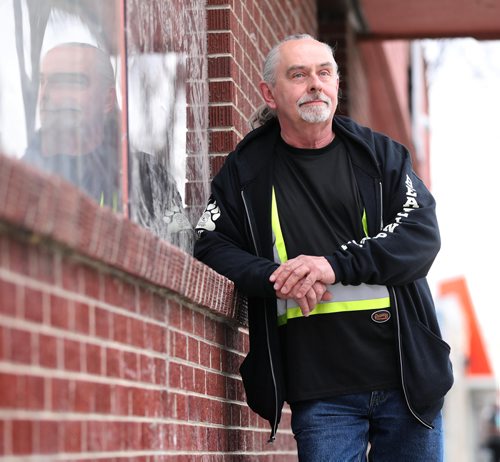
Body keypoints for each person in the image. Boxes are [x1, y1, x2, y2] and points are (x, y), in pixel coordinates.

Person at [194, 34, 453, 461]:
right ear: (269, 93)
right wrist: (274, 277)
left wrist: (331, 266)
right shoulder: (247, 169)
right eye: (298, 75)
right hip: (321, 391)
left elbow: (420, 235)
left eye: (324, 72)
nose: (315, 84)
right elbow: (210, 242)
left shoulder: (381, 156)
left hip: (405, 383)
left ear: (336, 83)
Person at [24, 42, 194, 247]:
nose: (47, 95)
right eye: (43, 82)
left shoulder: (148, 176)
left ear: (107, 99)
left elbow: (185, 248)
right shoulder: (24, 173)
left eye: (68, 82)